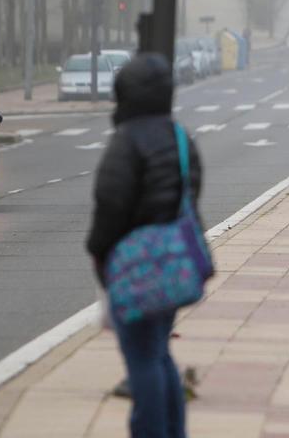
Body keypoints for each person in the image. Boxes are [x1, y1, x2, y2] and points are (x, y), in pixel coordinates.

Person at [86, 53, 203, 438]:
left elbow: (111, 204)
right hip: (175, 265)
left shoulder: (127, 141)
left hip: (136, 266)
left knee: (142, 360)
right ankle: (173, 431)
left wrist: (99, 252)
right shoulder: (180, 137)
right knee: (158, 354)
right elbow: (191, 195)